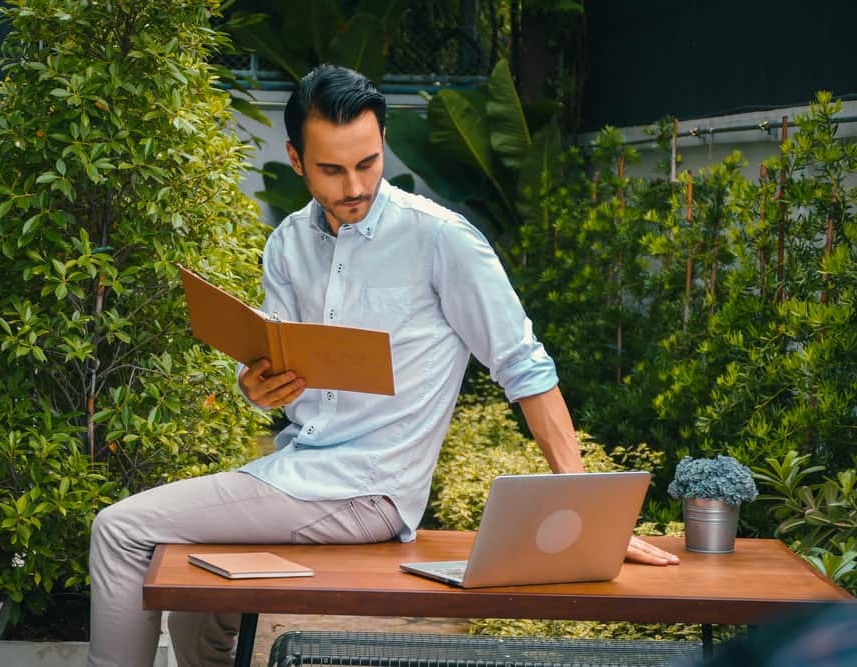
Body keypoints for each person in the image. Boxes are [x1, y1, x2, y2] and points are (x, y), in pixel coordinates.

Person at [87, 64, 678, 667]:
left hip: (368, 490)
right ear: (295, 159)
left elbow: (526, 370)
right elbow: (279, 374)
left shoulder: (441, 240)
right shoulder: (288, 245)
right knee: (193, 578)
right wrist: (256, 385)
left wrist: (588, 518)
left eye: (368, 162)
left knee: (119, 530)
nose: (354, 185)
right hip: (300, 473)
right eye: (331, 169)